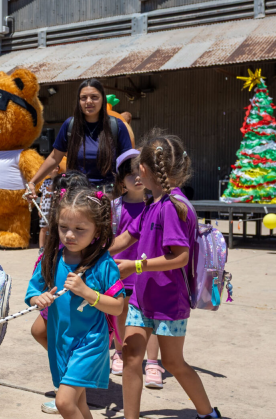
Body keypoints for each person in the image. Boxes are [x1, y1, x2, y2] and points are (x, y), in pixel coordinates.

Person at [109, 131, 222, 419]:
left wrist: (134, 266)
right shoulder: (153, 203)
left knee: (173, 361)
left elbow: (179, 257)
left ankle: (208, 414)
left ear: (143, 170)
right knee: (132, 355)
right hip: (142, 299)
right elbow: (128, 236)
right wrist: (98, 254)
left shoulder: (173, 207)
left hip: (169, 302)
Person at [26, 187, 126, 419]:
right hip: (61, 341)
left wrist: (87, 292)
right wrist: (38, 299)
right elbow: (33, 291)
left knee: (64, 402)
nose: (70, 235)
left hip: (90, 342)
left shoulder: (103, 263)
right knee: (79, 404)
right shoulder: (51, 258)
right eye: (64, 227)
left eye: (80, 229)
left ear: (98, 230)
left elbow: (118, 306)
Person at [28, 169, 93, 414]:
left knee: (69, 400)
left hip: (76, 302)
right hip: (55, 292)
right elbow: (32, 289)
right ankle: (70, 381)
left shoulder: (87, 236)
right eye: (57, 194)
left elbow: (115, 302)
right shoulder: (59, 228)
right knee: (41, 332)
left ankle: (69, 385)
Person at [108, 150, 162, 383]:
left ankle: (152, 363)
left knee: (149, 317)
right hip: (121, 269)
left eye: (140, 173)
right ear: (121, 181)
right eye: (130, 175)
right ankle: (119, 353)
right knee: (120, 313)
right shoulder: (115, 207)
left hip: (147, 269)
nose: (137, 179)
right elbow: (110, 238)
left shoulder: (157, 205)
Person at [27, 79, 132, 195]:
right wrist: (32, 182)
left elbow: (128, 161)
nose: (88, 101)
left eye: (94, 97)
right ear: (78, 101)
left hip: (108, 197)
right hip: (76, 197)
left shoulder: (117, 126)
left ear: (103, 99)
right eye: (83, 98)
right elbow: (54, 158)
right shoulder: (70, 126)